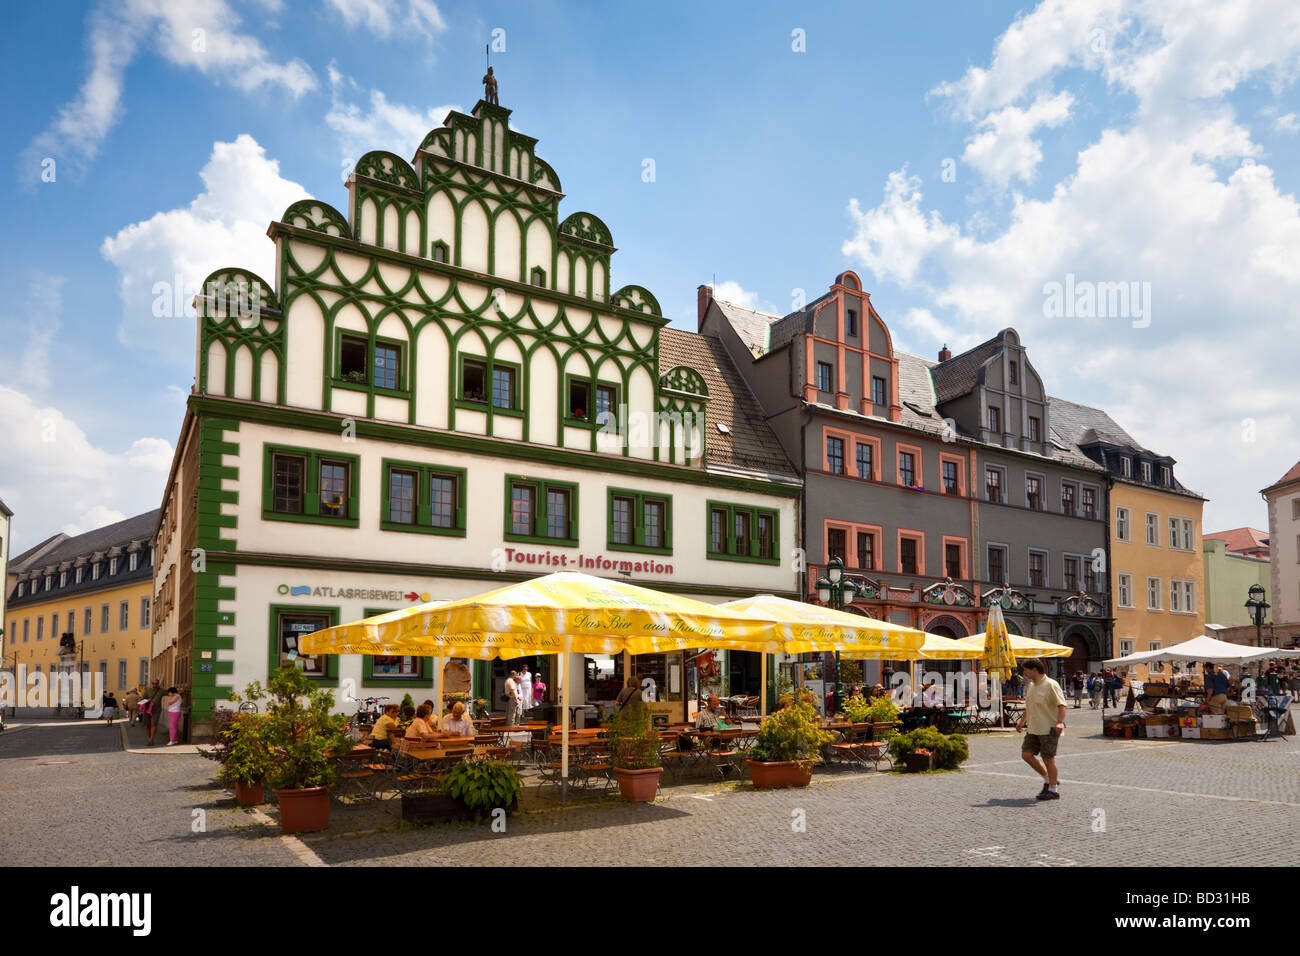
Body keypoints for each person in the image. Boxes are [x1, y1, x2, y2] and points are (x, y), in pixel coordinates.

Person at [1015, 658, 1066, 800]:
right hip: (1033, 728)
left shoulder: (1051, 684)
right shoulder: (1032, 685)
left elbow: (1062, 705)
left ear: (1034, 670)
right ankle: (1048, 779)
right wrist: (1021, 722)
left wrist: (1060, 723)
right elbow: (1029, 706)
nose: (1024, 673)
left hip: (1049, 728)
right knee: (1026, 755)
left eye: (1025, 670)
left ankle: (1054, 790)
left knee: (1048, 758)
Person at [145, 679, 166, 746]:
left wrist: (179, 692)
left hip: (157, 710)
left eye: (156, 684)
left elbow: (170, 692)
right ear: (151, 683)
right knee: (148, 725)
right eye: (153, 684)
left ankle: (151, 739)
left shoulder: (161, 691)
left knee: (154, 724)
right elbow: (142, 699)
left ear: (158, 683)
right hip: (148, 709)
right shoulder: (148, 691)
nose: (155, 685)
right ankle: (150, 739)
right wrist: (147, 700)